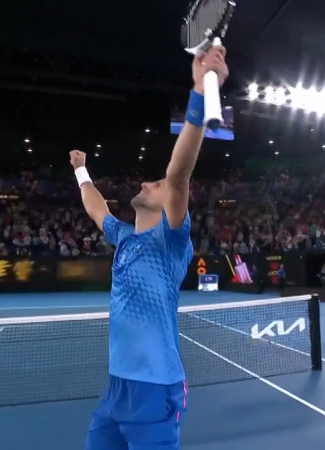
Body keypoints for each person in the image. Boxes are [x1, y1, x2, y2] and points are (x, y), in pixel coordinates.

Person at [75, 45, 228, 450]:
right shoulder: (124, 236)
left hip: (156, 388)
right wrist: (81, 170)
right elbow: (95, 207)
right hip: (116, 388)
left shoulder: (171, 240)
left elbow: (178, 176)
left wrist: (199, 91)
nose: (146, 183)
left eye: (154, 185)